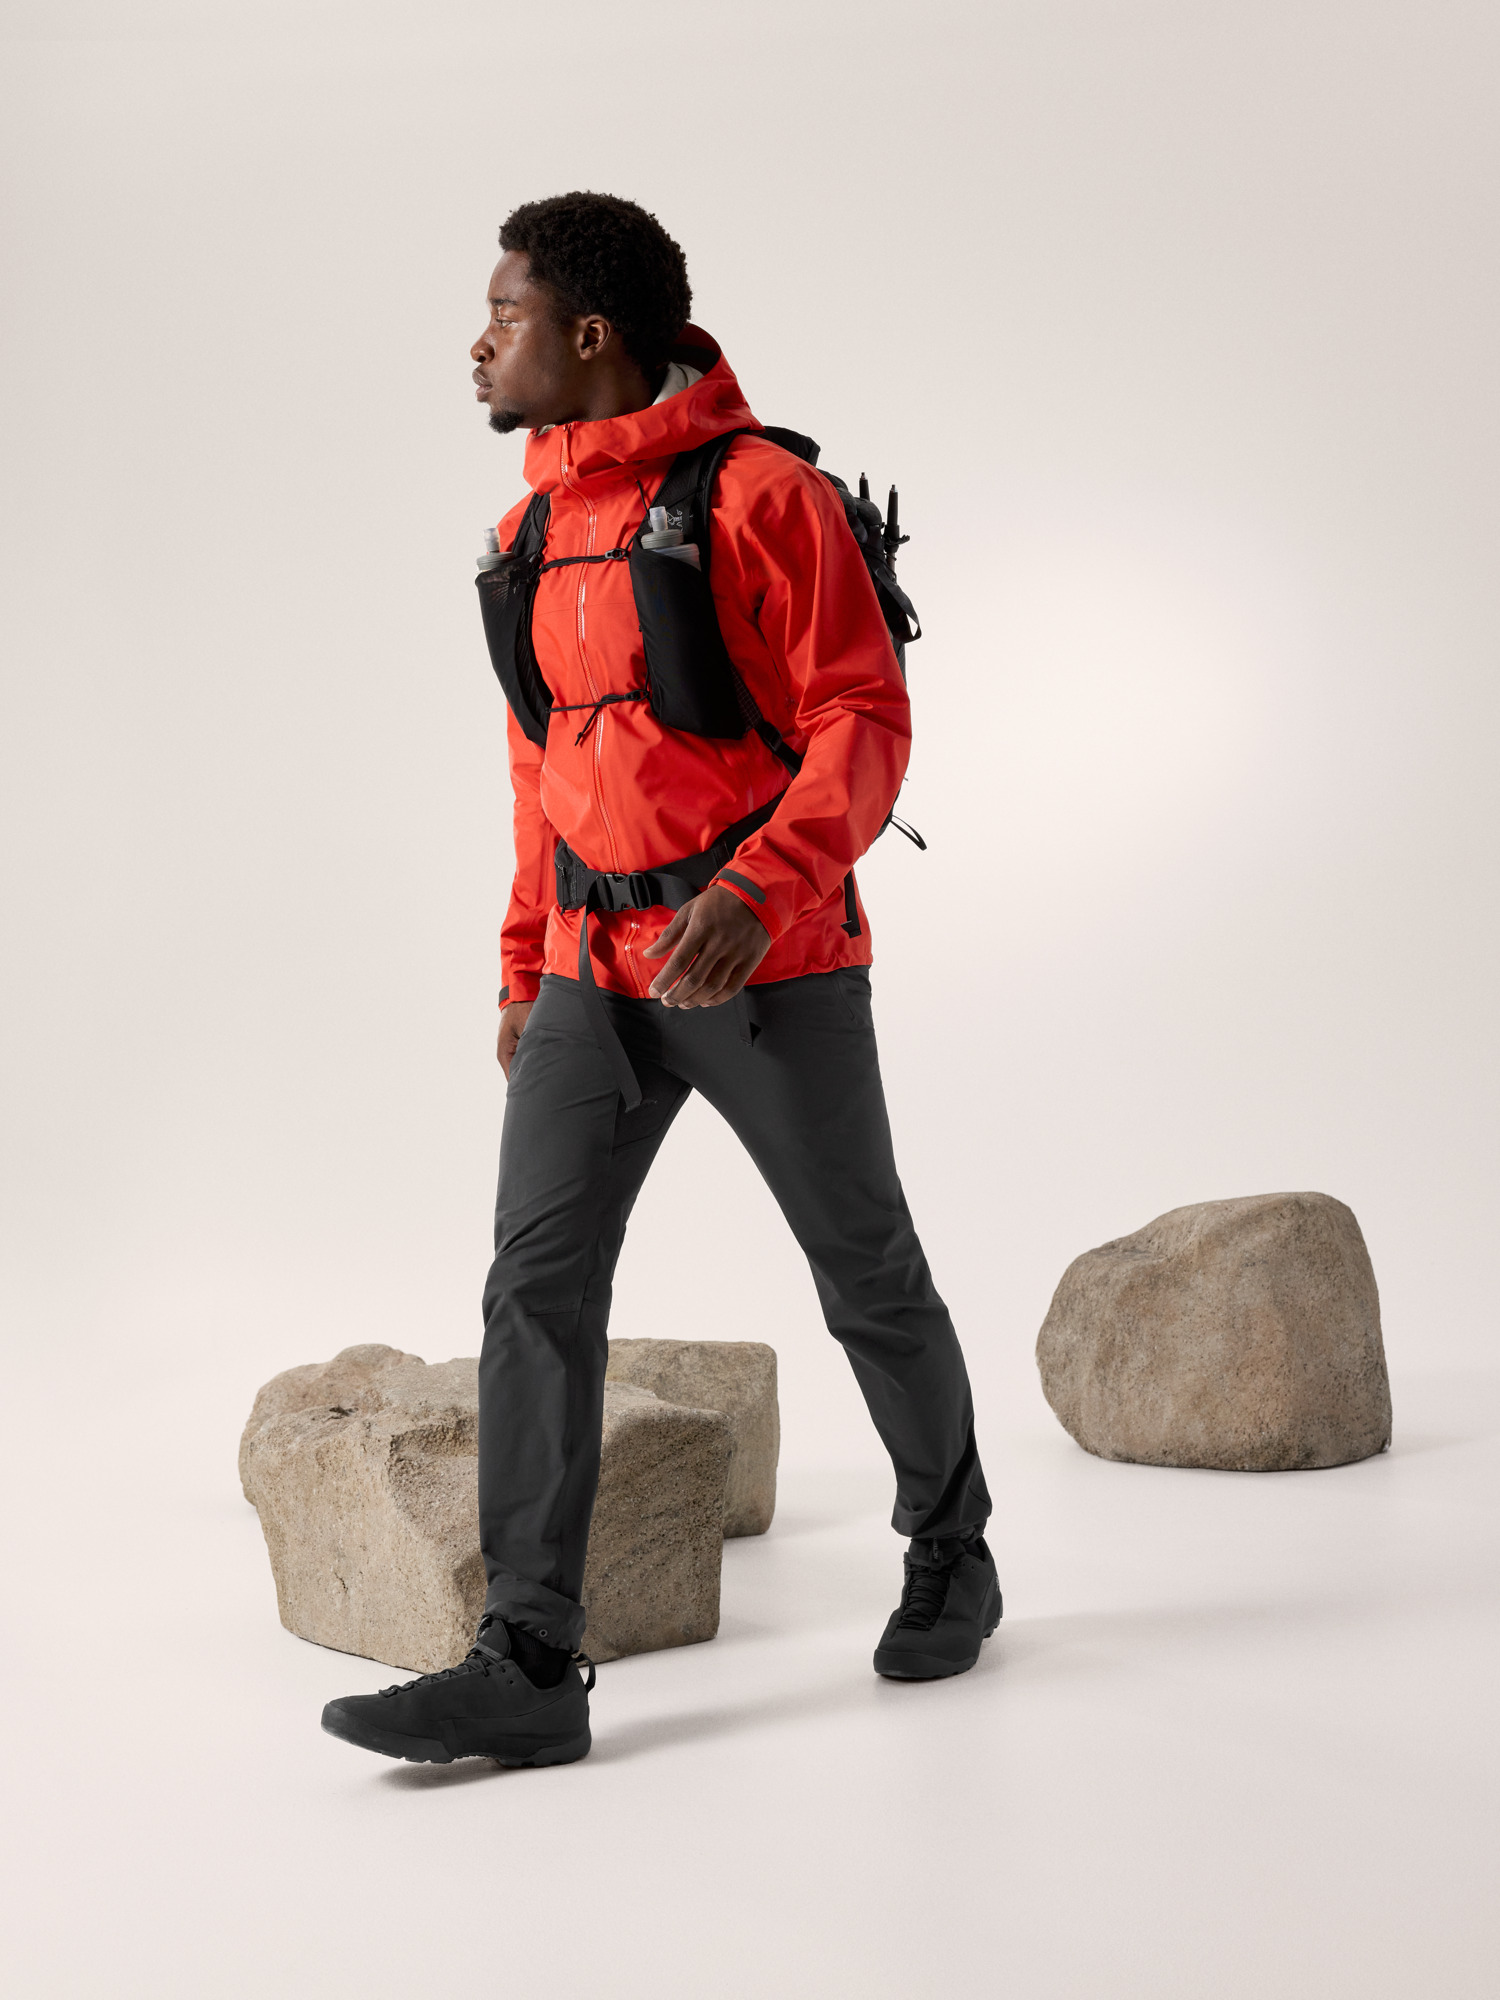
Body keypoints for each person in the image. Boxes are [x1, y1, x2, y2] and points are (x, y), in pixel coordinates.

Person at [322, 192, 998, 1770]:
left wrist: (762, 889)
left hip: (767, 965)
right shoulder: (528, 536)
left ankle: (951, 1550)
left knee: (865, 1271)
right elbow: (541, 773)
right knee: (534, 1288)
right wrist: (521, 963)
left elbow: (861, 719)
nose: (479, 344)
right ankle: (528, 1660)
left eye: (505, 316)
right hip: (586, 975)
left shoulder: (766, 498)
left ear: (590, 334)